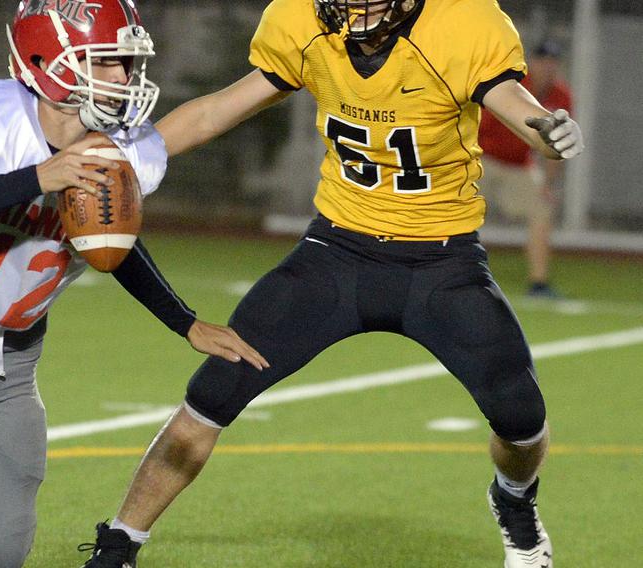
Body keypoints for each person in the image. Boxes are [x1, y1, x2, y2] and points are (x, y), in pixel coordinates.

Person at [78, 1, 584, 567]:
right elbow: (218, 109)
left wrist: (544, 128)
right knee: (213, 393)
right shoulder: (303, 19)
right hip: (335, 253)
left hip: (443, 263)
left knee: (521, 420)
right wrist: (127, 158)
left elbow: (515, 104)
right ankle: (119, 543)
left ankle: (514, 500)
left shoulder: (463, 21)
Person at [0, 1, 267, 567]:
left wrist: (184, 322)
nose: (124, 78)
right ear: (47, 61)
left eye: (127, 63)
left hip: (11, 361)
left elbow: (109, 244)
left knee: (3, 552)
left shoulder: (123, 145)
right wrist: (39, 176)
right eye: (107, 61)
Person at [479, 39, 574, 299]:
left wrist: (548, 184)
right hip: (481, 158)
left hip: (519, 166)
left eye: (553, 61)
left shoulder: (561, 95)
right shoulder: (514, 85)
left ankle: (539, 283)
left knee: (542, 210)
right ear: (532, 61)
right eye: (543, 60)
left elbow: (558, 145)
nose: (548, 66)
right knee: (451, 213)